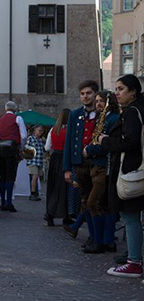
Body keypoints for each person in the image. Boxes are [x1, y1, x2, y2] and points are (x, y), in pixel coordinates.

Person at [101, 75, 144, 277]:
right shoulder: (138, 109)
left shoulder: (133, 112)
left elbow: (130, 142)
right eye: (116, 89)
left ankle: (134, 262)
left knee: (130, 216)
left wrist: (106, 141)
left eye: (121, 89)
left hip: (133, 171)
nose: (116, 93)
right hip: (136, 169)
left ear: (133, 91)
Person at [81, 91, 120, 253]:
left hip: (104, 166)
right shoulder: (101, 118)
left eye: (101, 101)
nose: (97, 104)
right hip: (95, 166)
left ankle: (99, 241)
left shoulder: (113, 119)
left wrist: (90, 149)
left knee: (93, 203)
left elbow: (108, 145)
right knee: (102, 205)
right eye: (96, 101)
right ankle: (105, 240)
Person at [63, 80, 99, 246]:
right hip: (80, 164)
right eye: (83, 94)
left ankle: (98, 237)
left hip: (97, 164)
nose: (85, 97)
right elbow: (69, 143)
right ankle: (92, 236)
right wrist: (67, 169)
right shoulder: (75, 114)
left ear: (95, 94)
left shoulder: (102, 114)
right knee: (84, 201)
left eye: (89, 93)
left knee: (95, 202)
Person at [0, 101, 27, 212]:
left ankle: (3, 202)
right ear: (15, 109)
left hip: (1, 148)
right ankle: (9, 202)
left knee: (2, 175)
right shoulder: (18, 119)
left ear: (5, 109)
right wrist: (21, 148)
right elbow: (23, 136)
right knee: (10, 175)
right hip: (12, 148)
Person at [44, 109, 71, 226]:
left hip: (55, 159)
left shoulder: (53, 130)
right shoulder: (70, 130)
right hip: (66, 158)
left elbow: (47, 147)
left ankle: (50, 214)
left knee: (53, 187)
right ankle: (66, 215)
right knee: (65, 188)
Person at [26, 125, 46, 201]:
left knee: (36, 177)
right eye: (39, 130)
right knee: (34, 176)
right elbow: (27, 149)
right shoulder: (31, 138)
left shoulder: (41, 140)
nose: (40, 132)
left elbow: (43, 149)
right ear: (35, 130)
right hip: (33, 161)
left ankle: (35, 192)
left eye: (42, 131)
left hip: (39, 161)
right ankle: (33, 193)